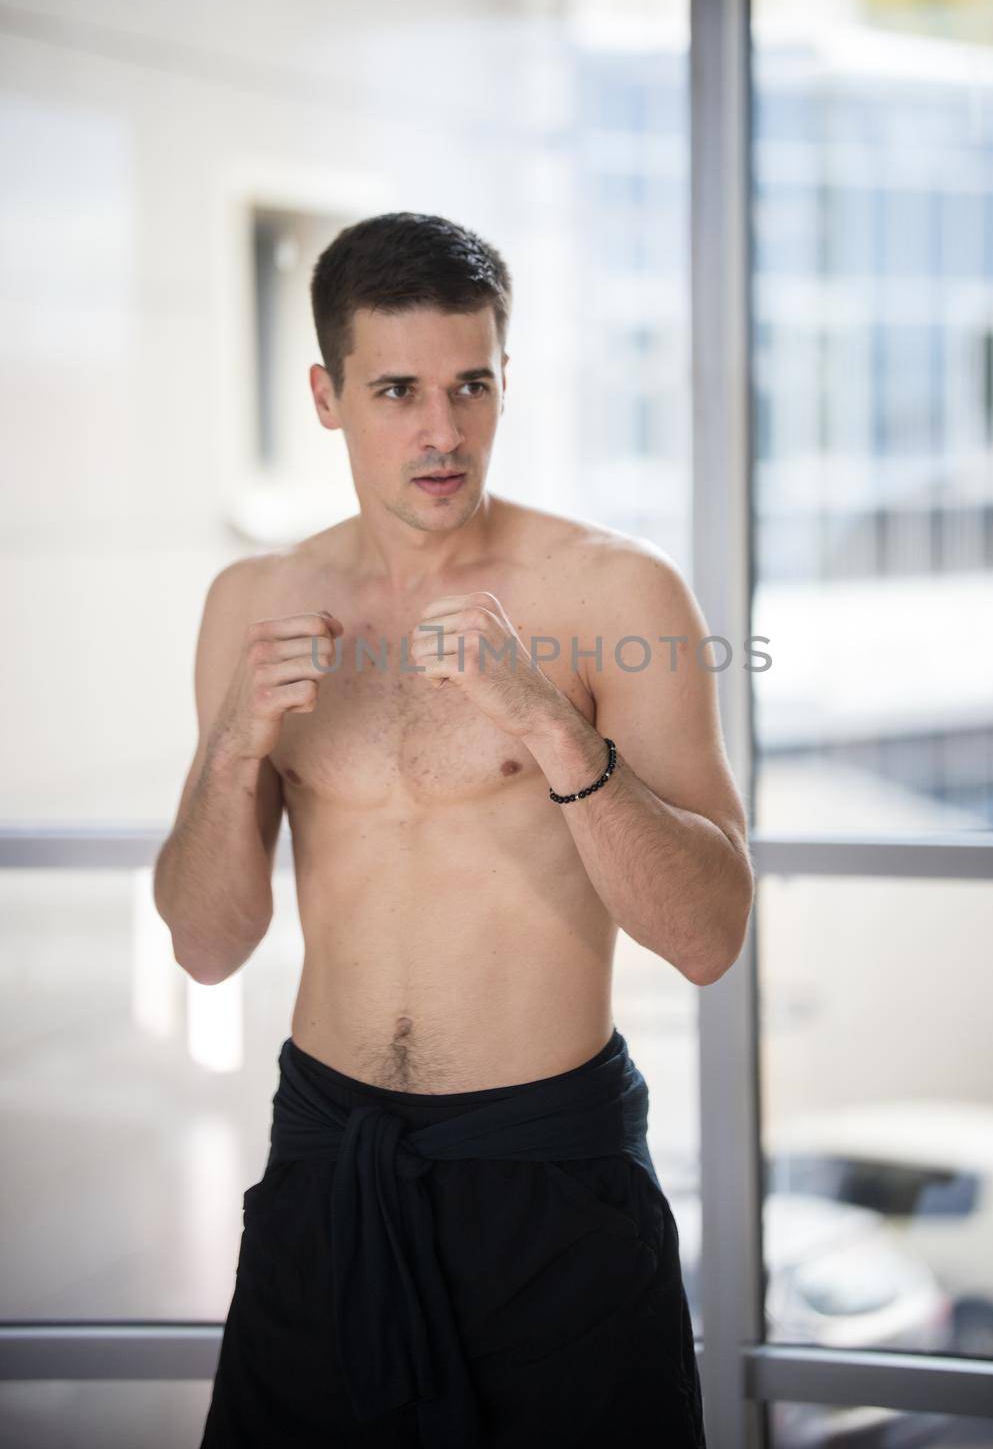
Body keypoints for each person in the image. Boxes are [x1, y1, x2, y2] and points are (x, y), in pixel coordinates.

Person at [153, 211, 754, 1448]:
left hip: (553, 1178)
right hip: (329, 1166)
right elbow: (207, 945)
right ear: (328, 395)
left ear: (502, 381)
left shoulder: (612, 592)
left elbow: (708, 936)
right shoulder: (253, 603)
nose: (442, 430)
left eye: (470, 385)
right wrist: (234, 750)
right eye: (398, 390)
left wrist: (547, 722)